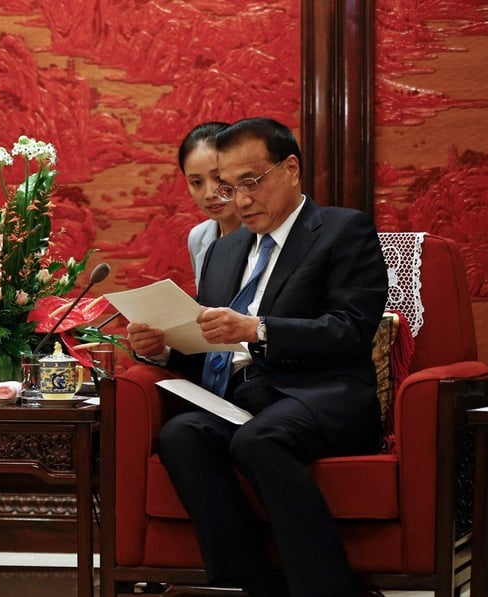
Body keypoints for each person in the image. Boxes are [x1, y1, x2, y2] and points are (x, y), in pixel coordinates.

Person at [127, 117, 388, 597]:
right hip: (244, 399)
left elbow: (349, 330)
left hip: (323, 394)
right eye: (230, 187)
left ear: (290, 169)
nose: (240, 201)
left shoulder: (342, 230)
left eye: (251, 182)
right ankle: (256, 587)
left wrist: (258, 329)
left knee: (258, 440)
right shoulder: (224, 251)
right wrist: (162, 347)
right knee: (181, 435)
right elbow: (211, 347)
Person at [180, 121, 243, 282]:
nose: (209, 194)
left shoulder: (266, 233)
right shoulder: (198, 238)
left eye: (219, 178)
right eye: (196, 182)